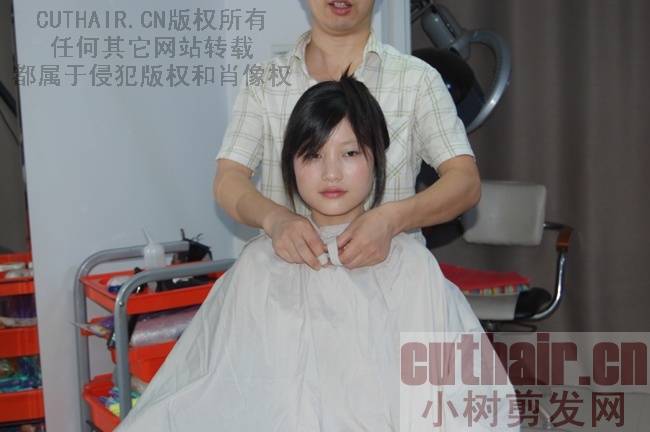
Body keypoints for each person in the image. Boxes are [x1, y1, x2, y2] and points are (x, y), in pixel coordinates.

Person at [116, 74, 517, 431]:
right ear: (290, 166)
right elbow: (223, 384)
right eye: (312, 154)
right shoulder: (260, 264)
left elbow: (452, 398)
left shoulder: (411, 266)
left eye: (350, 153)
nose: (331, 173)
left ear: (378, 159)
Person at [213, 0, 481, 271]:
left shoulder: (417, 80)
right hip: (286, 282)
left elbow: (465, 181)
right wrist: (275, 218)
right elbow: (228, 178)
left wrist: (391, 219)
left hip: (392, 281)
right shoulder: (265, 81)